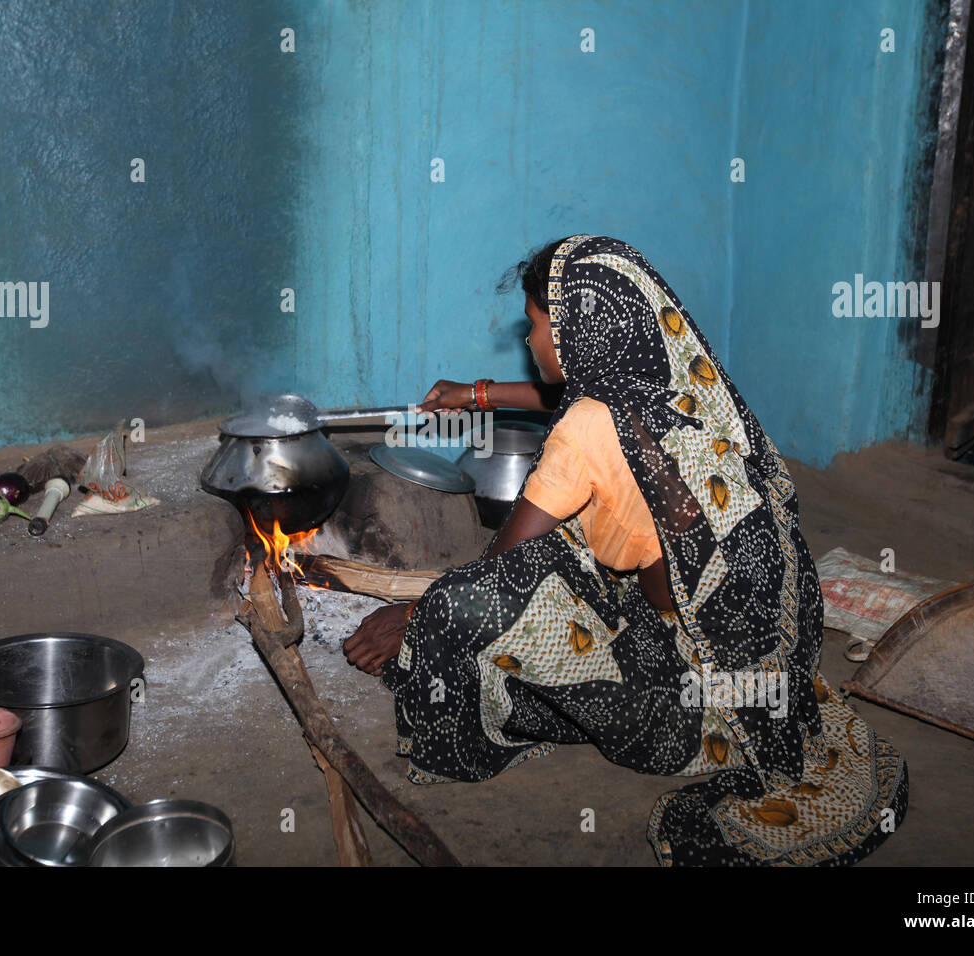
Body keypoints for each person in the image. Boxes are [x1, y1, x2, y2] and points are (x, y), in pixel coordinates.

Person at [343, 234, 909, 865]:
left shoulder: (587, 428)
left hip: (687, 709)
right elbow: (577, 392)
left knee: (485, 598)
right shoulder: (686, 386)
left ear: (578, 330)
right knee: (563, 555)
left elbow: (501, 568)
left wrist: (416, 616)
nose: (529, 342)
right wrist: (478, 394)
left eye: (535, 326)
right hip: (767, 672)